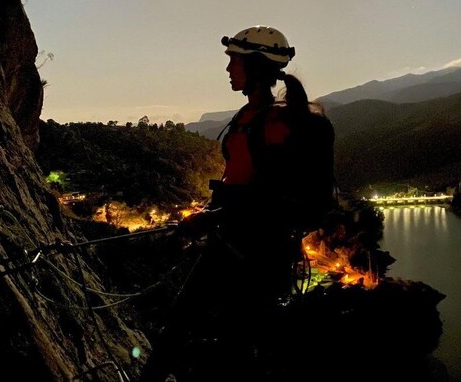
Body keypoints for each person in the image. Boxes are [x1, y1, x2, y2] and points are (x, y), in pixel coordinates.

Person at [139, 25, 335, 382]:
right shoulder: (251, 117)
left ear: (256, 66)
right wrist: (210, 214)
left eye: (234, 61)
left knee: (221, 339)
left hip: (252, 253)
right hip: (238, 245)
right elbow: (240, 182)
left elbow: (264, 197)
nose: (229, 69)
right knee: (196, 328)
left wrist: (210, 217)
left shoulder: (275, 124)